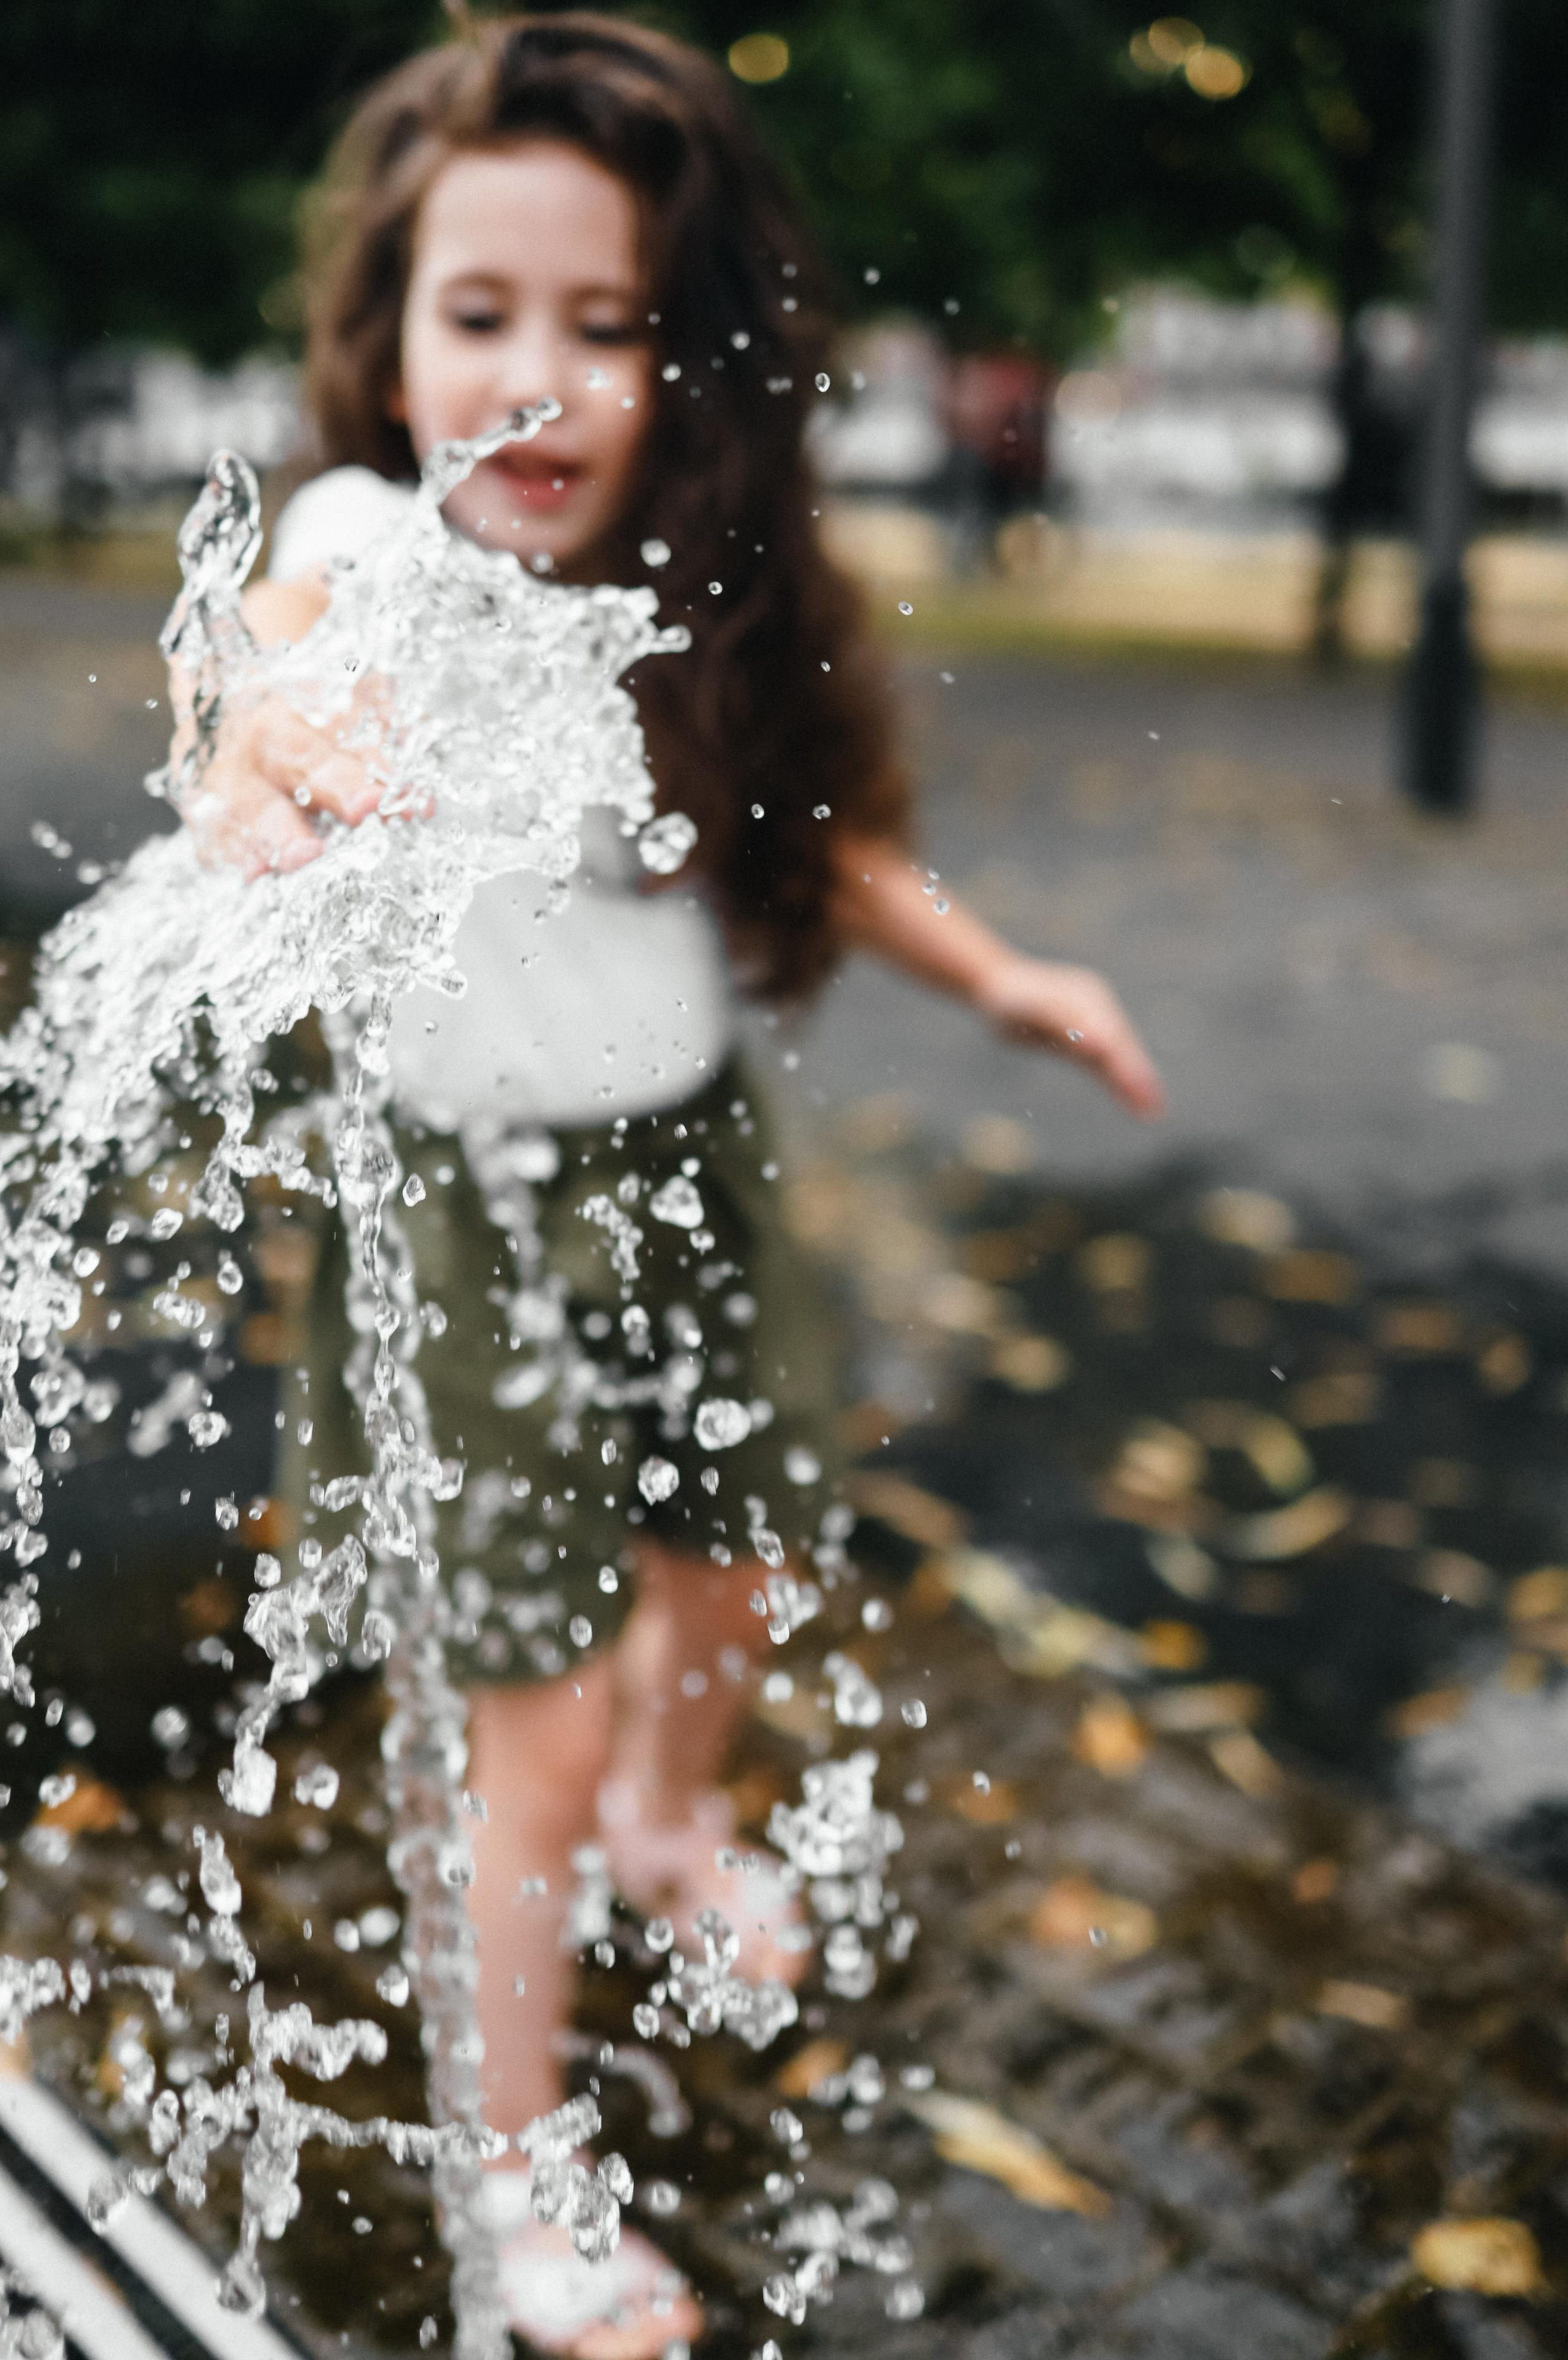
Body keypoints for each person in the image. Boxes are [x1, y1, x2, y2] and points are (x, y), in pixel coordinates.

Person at [178, 14, 1164, 2353]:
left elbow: (825, 848)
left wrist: (1005, 976)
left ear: (688, 354)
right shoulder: (363, 542)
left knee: (733, 1561)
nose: (534, 380)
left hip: (689, 1152)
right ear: (390, 335)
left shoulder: (707, 590)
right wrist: (249, 738)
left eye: (604, 325)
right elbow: (266, 649)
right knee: (517, 1700)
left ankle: (669, 1815)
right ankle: (523, 2172)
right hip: (468, 1198)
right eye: (478, 314)